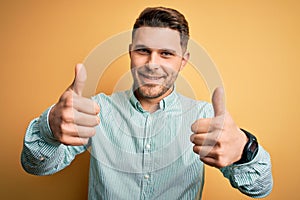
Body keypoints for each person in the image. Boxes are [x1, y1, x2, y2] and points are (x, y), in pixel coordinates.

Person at [21, 7, 273, 200]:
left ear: (183, 61)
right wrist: (49, 128)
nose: (153, 63)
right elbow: (35, 166)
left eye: (166, 53)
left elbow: (260, 188)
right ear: (131, 52)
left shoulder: (204, 117)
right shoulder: (96, 111)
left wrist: (245, 150)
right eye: (143, 51)